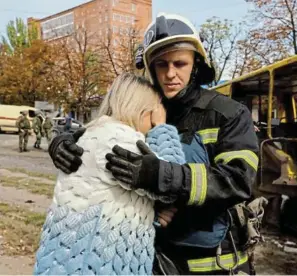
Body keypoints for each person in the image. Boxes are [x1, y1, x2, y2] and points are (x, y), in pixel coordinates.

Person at [48, 13, 260, 275]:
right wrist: (64, 141)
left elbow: (239, 182)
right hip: (149, 257)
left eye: (179, 63)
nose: (170, 74)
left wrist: (162, 175)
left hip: (211, 263)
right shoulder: (146, 110)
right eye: (161, 65)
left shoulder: (228, 114)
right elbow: (105, 131)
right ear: (150, 69)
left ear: (195, 64)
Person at [34, 73, 186, 275]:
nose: (151, 124)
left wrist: (152, 214)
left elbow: (111, 199)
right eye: (154, 112)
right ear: (143, 110)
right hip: (96, 266)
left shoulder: (94, 134)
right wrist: (162, 127)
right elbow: (174, 180)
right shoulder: (120, 139)